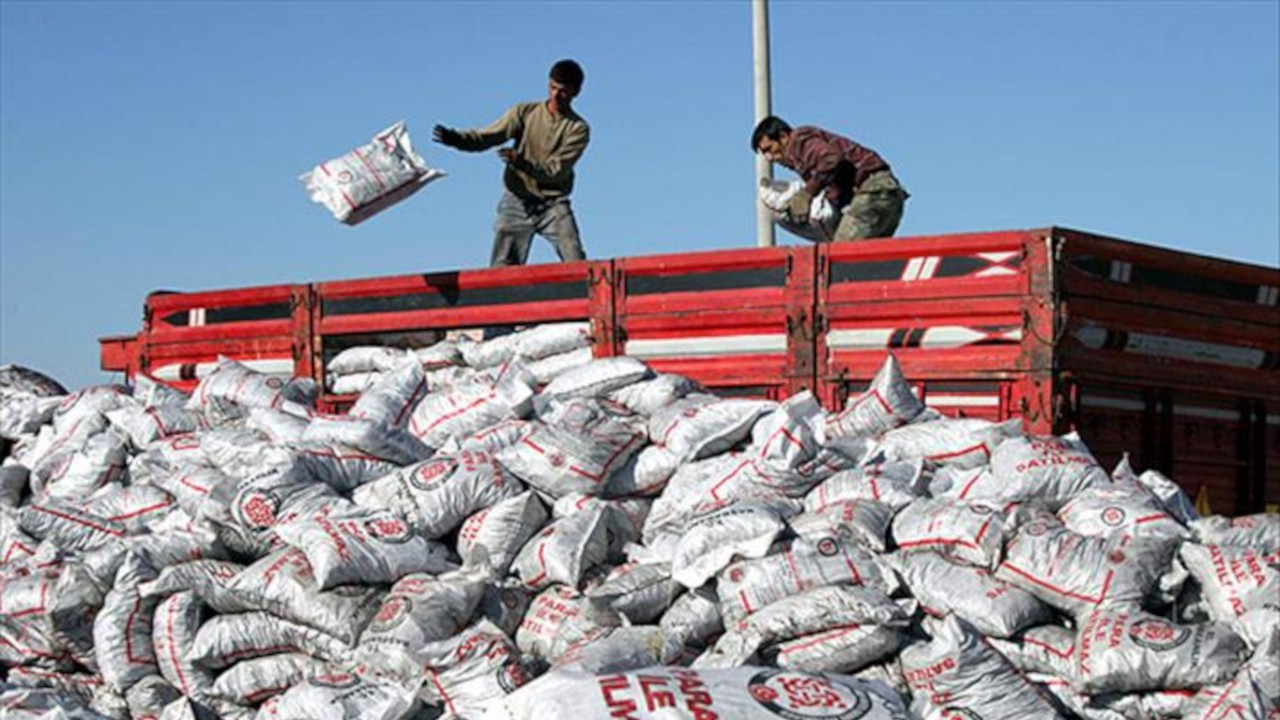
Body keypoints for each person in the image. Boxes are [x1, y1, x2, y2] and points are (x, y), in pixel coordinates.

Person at [433, 59, 590, 266]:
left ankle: (588, 296)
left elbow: (556, 171)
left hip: (553, 204)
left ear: (576, 92)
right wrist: (457, 139)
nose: (555, 95)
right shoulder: (524, 113)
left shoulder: (578, 129)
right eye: (552, 88)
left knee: (576, 259)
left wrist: (522, 163)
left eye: (563, 91)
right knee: (502, 269)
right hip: (517, 201)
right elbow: (487, 137)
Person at [752, 116, 909, 241]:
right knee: (865, 263)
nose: (769, 158)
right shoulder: (803, 154)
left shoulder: (798, 141)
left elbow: (831, 159)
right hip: (886, 194)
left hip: (874, 191)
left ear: (783, 136)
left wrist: (806, 194)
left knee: (841, 255)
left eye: (769, 149)